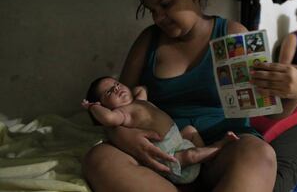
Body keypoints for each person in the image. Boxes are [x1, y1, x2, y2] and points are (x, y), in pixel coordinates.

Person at [82, 0, 297, 192]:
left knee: (260, 154)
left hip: (221, 148)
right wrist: (121, 136)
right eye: (152, 10)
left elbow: (269, 111)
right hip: (161, 153)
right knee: (98, 159)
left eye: (166, 5)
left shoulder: (231, 34)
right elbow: (117, 104)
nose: (158, 18)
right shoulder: (148, 41)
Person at [82, 76, 238, 184]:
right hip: (169, 158)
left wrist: (137, 89)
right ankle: (220, 145)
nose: (117, 89)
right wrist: (93, 107)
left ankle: (206, 162)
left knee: (190, 130)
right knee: (190, 155)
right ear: (103, 106)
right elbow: (108, 119)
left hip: (177, 140)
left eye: (117, 84)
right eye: (109, 92)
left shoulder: (138, 102)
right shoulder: (122, 114)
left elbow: (142, 89)